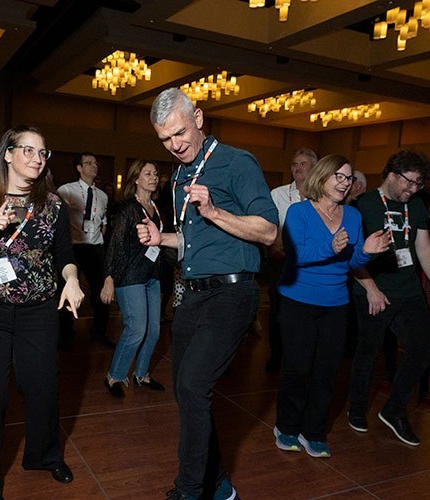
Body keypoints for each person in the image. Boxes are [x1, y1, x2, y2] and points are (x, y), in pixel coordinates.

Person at [137, 88, 279, 500]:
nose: (174, 145)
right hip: (192, 296)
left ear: (198, 117)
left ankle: (189, 491)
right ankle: (217, 483)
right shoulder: (181, 174)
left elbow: (268, 231)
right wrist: (162, 237)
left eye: (180, 132)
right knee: (187, 392)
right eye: (164, 139)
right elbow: (195, 240)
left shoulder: (237, 163)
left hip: (232, 295)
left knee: (194, 386)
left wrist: (216, 211)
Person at [0, 125, 84, 498]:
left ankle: (43, 455)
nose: (37, 159)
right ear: (7, 154)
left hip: (37, 310)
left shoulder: (54, 205)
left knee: (42, 388)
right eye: (28, 150)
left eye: (43, 153)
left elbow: (65, 256)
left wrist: (72, 279)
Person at [273, 155, 389, 458]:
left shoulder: (352, 215)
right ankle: (286, 427)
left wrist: (366, 251)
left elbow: (352, 262)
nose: (344, 182)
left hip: (336, 303)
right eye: (338, 175)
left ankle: (314, 431)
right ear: (322, 177)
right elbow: (296, 253)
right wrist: (331, 246)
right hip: (297, 299)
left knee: (327, 370)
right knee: (298, 368)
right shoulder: (299, 212)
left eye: (348, 178)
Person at [348, 150, 430, 447]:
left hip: (408, 291)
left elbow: (423, 250)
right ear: (392, 174)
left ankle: (393, 410)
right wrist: (371, 288)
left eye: (419, 184)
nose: (414, 189)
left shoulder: (417, 205)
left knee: (421, 350)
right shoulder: (363, 205)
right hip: (373, 290)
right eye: (410, 183)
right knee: (368, 353)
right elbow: (353, 256)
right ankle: (357, 409)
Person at [100, 159, 165, 398]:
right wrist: (109, 278)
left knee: (154, 330)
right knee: (136, 328)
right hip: (130, 275)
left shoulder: (156, 208)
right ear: (136, 179)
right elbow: (115, 244)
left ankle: (141, 373)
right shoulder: (129, 209)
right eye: (147, 173)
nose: (154, 177)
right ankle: (114, 376)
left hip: (152, 275)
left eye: (156, 173)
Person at [266, 148, 317, 371]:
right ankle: (276, 355)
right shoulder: (277, 194)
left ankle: (301, 357)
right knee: (278, 311)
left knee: (305, 313)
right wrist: (274, 250)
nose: (297, 168)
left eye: (303, 164)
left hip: (311, 263)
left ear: (314, 168)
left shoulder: (322, 196)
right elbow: (269, 227)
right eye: (294, 164)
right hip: (282, 260)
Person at [57, 152, 114, 347]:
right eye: (88, 163)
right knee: (66, 289)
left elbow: (103, 222)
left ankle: (99, 332)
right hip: (73, 246)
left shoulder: (103, 196)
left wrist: (99, 239)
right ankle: (65, 333)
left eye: (95, 163)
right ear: (79, 168)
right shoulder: (66, 190)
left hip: (95, 247)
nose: (94, 166)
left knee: (101, 292)